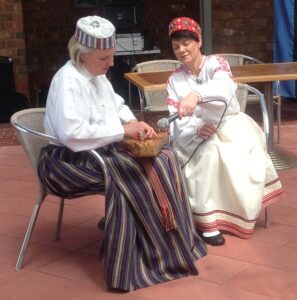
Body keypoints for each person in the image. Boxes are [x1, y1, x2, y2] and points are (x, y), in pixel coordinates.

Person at [37, 16, 207, 291]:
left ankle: (177, 243)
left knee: (165, 158)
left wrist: (134, 124)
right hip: (63, 162)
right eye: (105, 57)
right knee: (132, 171)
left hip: (95, 153)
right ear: (82, 55)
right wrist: (121, 132)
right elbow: (72, 135)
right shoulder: (67, 80)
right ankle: (132, 262)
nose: (111, 63)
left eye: (112, 56)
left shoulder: (97, 76)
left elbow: (117, 105)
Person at [166, 17, 284, 246]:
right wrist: (197, 128)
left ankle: (229, 213)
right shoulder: (174, 79)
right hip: (196, 131)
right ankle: (207, 220)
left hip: (231, 124)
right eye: (176, 46)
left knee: (233, 153)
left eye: (186, 43)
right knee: (208, 154)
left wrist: (196, 96)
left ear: (198, 41)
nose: (181, 50)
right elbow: (175, 116)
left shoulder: (217, 63)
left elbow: (225, 87)